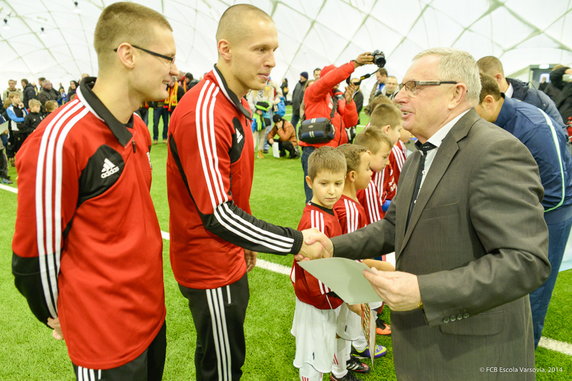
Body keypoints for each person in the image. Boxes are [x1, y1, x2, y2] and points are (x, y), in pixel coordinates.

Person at [302, 48, 551, 380]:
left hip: (471, 355)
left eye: (414, 86)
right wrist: (334, 246)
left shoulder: (497, 152)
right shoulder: (420, 154)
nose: (400, 96)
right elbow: (396, 226)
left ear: (455, 94)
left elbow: (526, 262)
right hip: (427, 348)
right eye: (402, 86)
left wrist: (425, 292)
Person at [12, 2, 178, 379]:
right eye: (167, 58)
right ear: (128, 55)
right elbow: (32, 260)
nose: (175, 70)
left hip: (151, 318)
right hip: (104, 340)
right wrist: (59, 315)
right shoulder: (59, 140)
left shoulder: (137, 126)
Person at [166, 4, 322, 380]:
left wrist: (246, 243)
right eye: (260, 49)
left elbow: (231, 189)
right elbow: (217, 213)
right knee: (222, 368)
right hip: (209, 265)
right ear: (226, 49)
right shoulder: (205, 112)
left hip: (228, 253)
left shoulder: (233, 102)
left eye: (274, 50)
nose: (271, 61)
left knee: (221, 353)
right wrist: (296, 241)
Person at [476, 72, 572, 348]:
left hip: (552, 213)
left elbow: (558, 191)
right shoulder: (493, 122)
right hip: (515, 209)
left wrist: (510, 219)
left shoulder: (534, 127)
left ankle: (521, 350)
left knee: (534, 285)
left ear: (490, 101)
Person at [290, 146, 349, 381]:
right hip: (318, 300)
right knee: (312, 358)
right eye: (324, 183)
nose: (332, 191)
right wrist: (336, 295)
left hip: (326, 297)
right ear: (310, 181)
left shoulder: (328, 210)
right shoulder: (315, 218)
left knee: (323, 348)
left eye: (338, 183)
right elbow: (313, 269)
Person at [300, 54, 376, 202]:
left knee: (332, 197)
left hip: (333, 152)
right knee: (316, 198)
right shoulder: (314, 92)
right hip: (315, 151)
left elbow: (351, 121)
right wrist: (354, 64)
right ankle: (315, 224)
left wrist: (349, 102)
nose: (338, 82)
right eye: (335, 78)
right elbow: (329, 80)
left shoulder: (337, 97)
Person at [477, 55, 564, 126]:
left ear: (498, 78)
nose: (481, 87)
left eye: (483, 81)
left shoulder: (537, 99)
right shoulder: (480, 103)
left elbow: (560, 131)